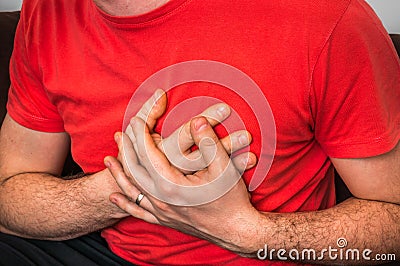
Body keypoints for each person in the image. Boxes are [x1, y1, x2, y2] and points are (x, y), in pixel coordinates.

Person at [0, 0, 399, 265]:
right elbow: (8, 197)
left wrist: (248, 233)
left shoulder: (324, 16)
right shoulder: (45, 12)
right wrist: (129, 186)